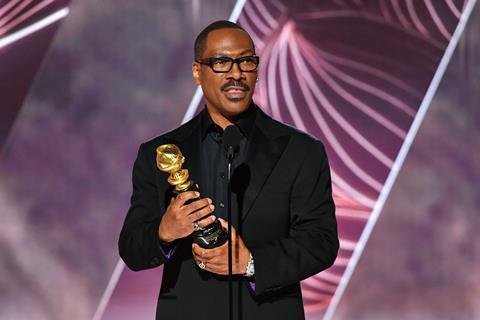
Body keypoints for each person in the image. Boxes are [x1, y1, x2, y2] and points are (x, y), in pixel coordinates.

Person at [118, 20, 338, 320]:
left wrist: (249, 262)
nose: (237, 73)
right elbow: (132, 248)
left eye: (246, 61)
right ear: (198, 72)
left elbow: (320, 242)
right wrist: (165, 232)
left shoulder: (301, 151)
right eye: (222, 62)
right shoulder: (161, 153)